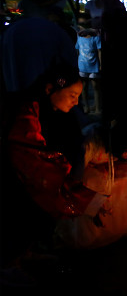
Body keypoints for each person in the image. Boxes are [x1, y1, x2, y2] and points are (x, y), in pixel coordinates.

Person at [3, 64, 105, 261]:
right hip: (15, 177)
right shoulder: (26, 112)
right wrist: (83, 198)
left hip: (29, 176)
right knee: (21, 214)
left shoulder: (50, 111)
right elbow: (36, 160)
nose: (76, 102)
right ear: (50, 89)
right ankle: (11, 263)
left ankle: (28, 252)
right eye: (71, 95)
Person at [55, 119, 127, 249]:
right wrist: (91, 205)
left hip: (116, 167)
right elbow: (75, 178)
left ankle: (124, 227)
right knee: (94, 184)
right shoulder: (93, 142)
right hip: (88, 170)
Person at [75, 22, 102, 114]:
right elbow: (77, 50)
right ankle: (86, 107)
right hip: (82, 66)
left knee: (96, 87)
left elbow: (99, 51)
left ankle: (97, 107)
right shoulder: (79, 37)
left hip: (94, 65)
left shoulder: (95, 38)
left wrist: (100, 64)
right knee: (84, 87)